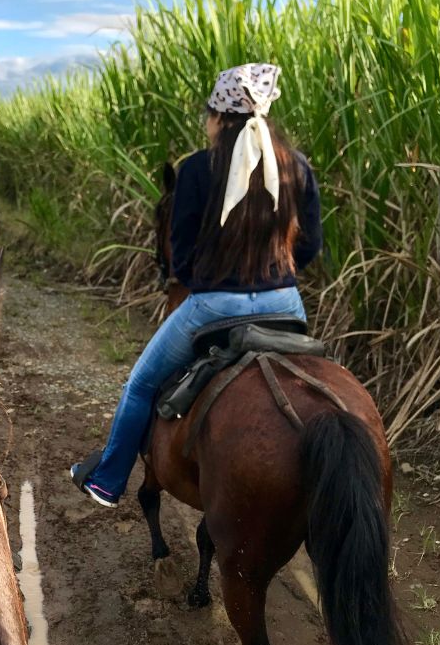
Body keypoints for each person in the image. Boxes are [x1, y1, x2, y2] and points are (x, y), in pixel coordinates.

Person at [71, 63, 323, 508]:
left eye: (208, 115)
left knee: (141, 385)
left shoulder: (195, 170)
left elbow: (181, 252)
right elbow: (310, 247)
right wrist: (274, 278)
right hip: (285, 303)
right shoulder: (296, 166)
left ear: (221, 118)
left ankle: (108, 480)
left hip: (213, 306)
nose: (205, 124)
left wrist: (203, 281)